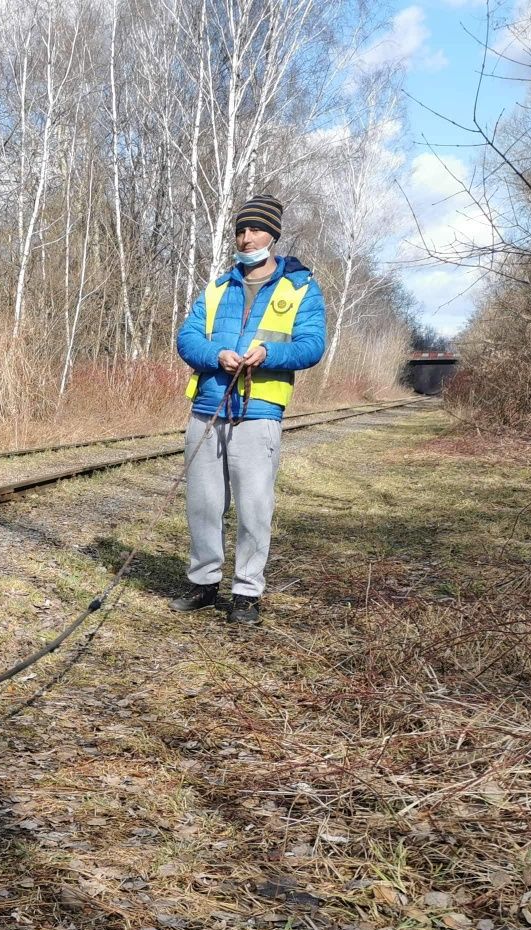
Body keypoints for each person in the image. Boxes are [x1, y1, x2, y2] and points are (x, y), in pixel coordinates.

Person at [171, 194, 327, 626]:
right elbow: (187, 340)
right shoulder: (218, 288)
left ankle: (246, 592)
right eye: (240, 230)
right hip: (207, 411)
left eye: (254, 229)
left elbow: (312, 346)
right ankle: (203, 584)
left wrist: (269, 353)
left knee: (254, 508)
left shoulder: (300, 288)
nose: (245, 237)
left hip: (259, 415)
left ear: (272, 235)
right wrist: (217, 354)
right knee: (203, 505)